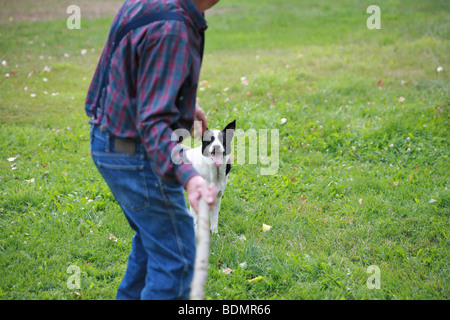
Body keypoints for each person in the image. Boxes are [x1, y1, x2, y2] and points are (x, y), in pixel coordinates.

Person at [84, 0, 220, 300]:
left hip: (107, 139)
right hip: (135, 154)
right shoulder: (174, 27)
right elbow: (154, 123)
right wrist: (190, 176)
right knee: (178, 259)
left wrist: (179, 101)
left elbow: (131, 65)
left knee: (154, 242)